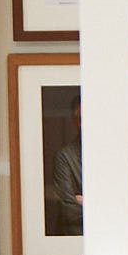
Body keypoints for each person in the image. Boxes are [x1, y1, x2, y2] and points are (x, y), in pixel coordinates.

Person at [47, 95, 84, 236]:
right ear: (74, 122)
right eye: (80, 119)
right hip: (75, 239)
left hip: (112, 239)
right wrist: (105, 207)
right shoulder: (64, 157)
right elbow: (69, 211)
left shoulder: (114, 154)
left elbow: (125, 207)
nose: (84, 124)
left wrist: (85, 202)